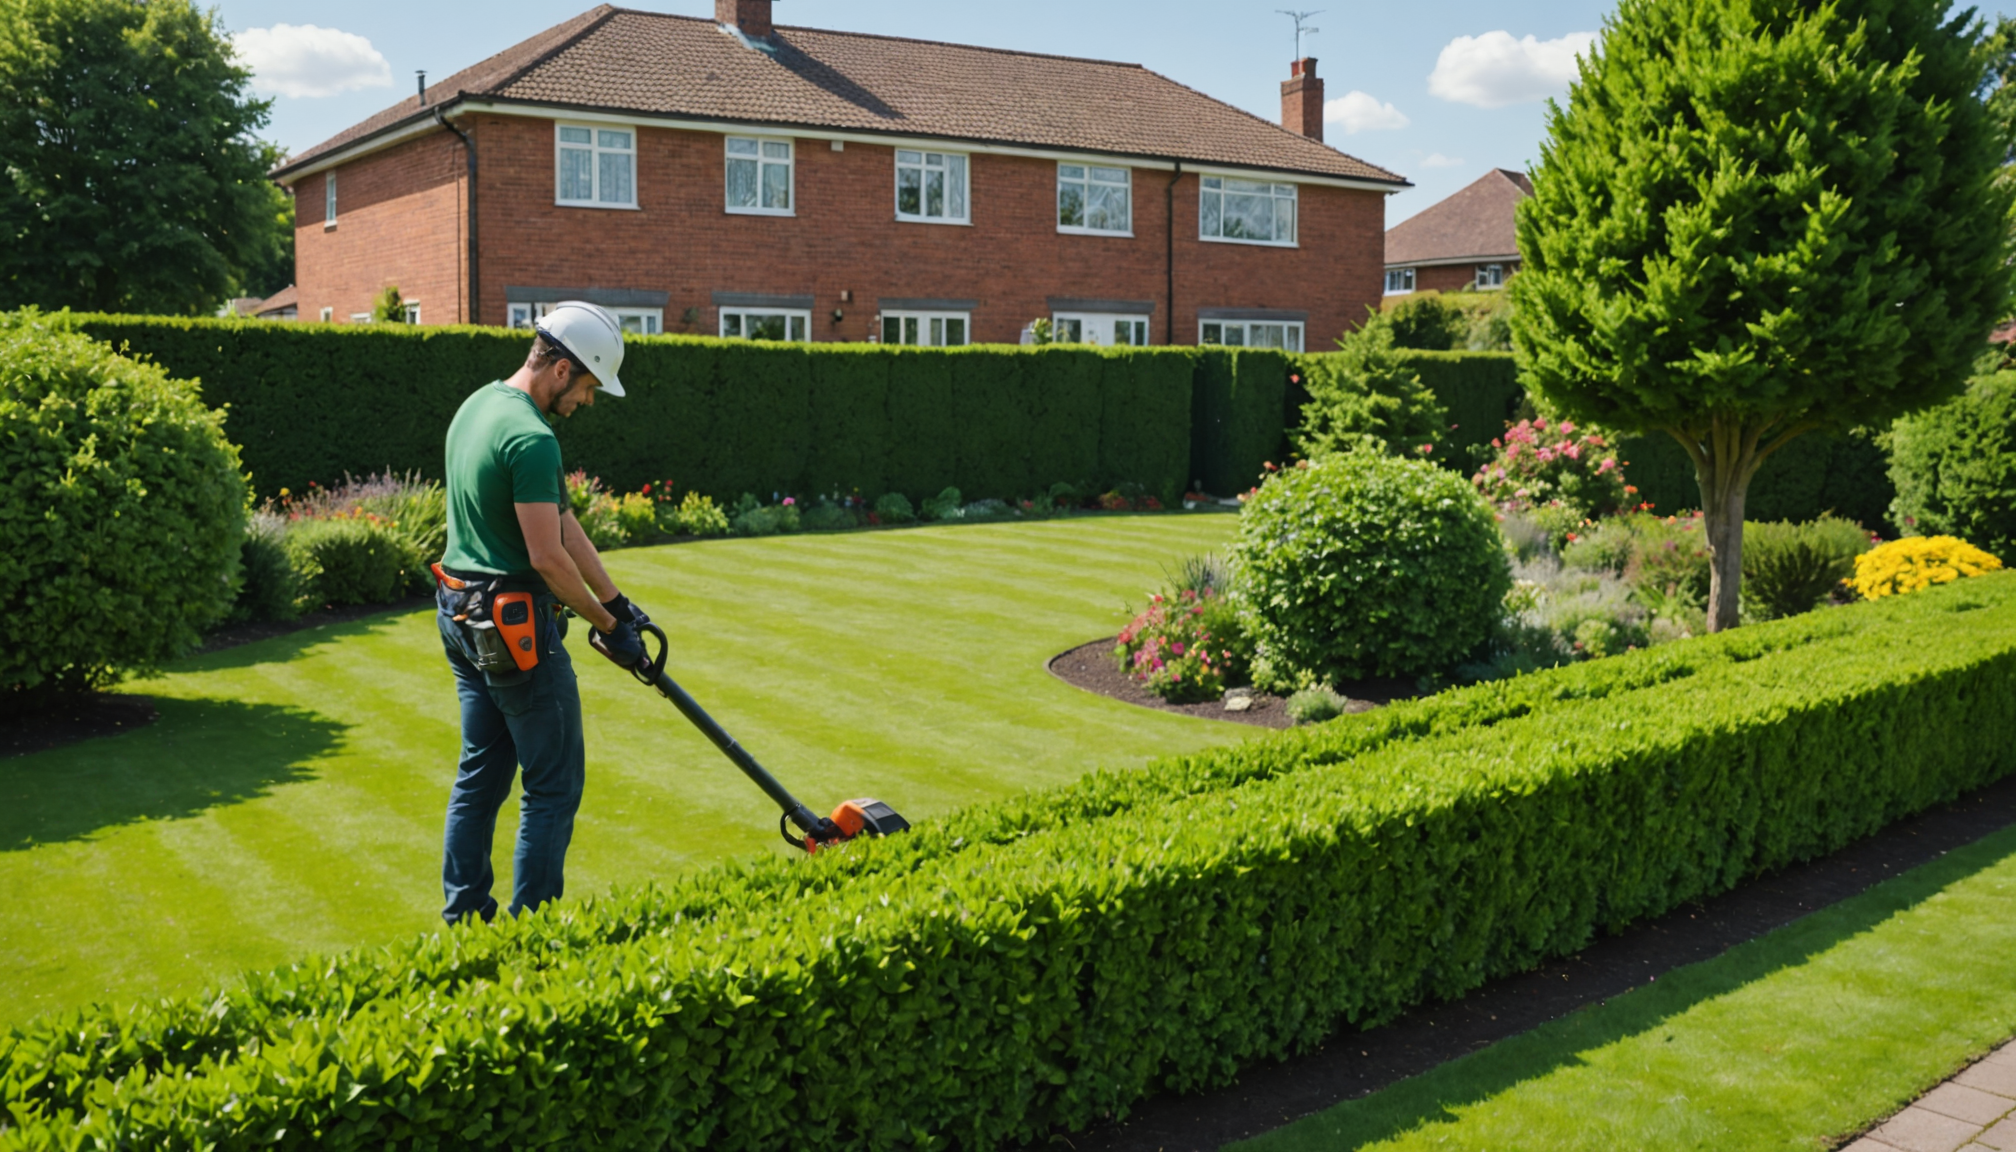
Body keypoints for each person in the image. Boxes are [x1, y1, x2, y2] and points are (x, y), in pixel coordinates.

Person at [433, 301, 648, 925]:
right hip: (513, 628)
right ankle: (532, 937)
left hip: (459, 614)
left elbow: (561, 518)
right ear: (560, 369)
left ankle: (466, 923)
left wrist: (615, 602)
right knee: (552, 787)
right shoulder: (531, 437)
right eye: (586, 388)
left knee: (481, 774)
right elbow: (548, 558)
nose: (586, 402)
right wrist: (611, 633)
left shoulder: (481, 405)